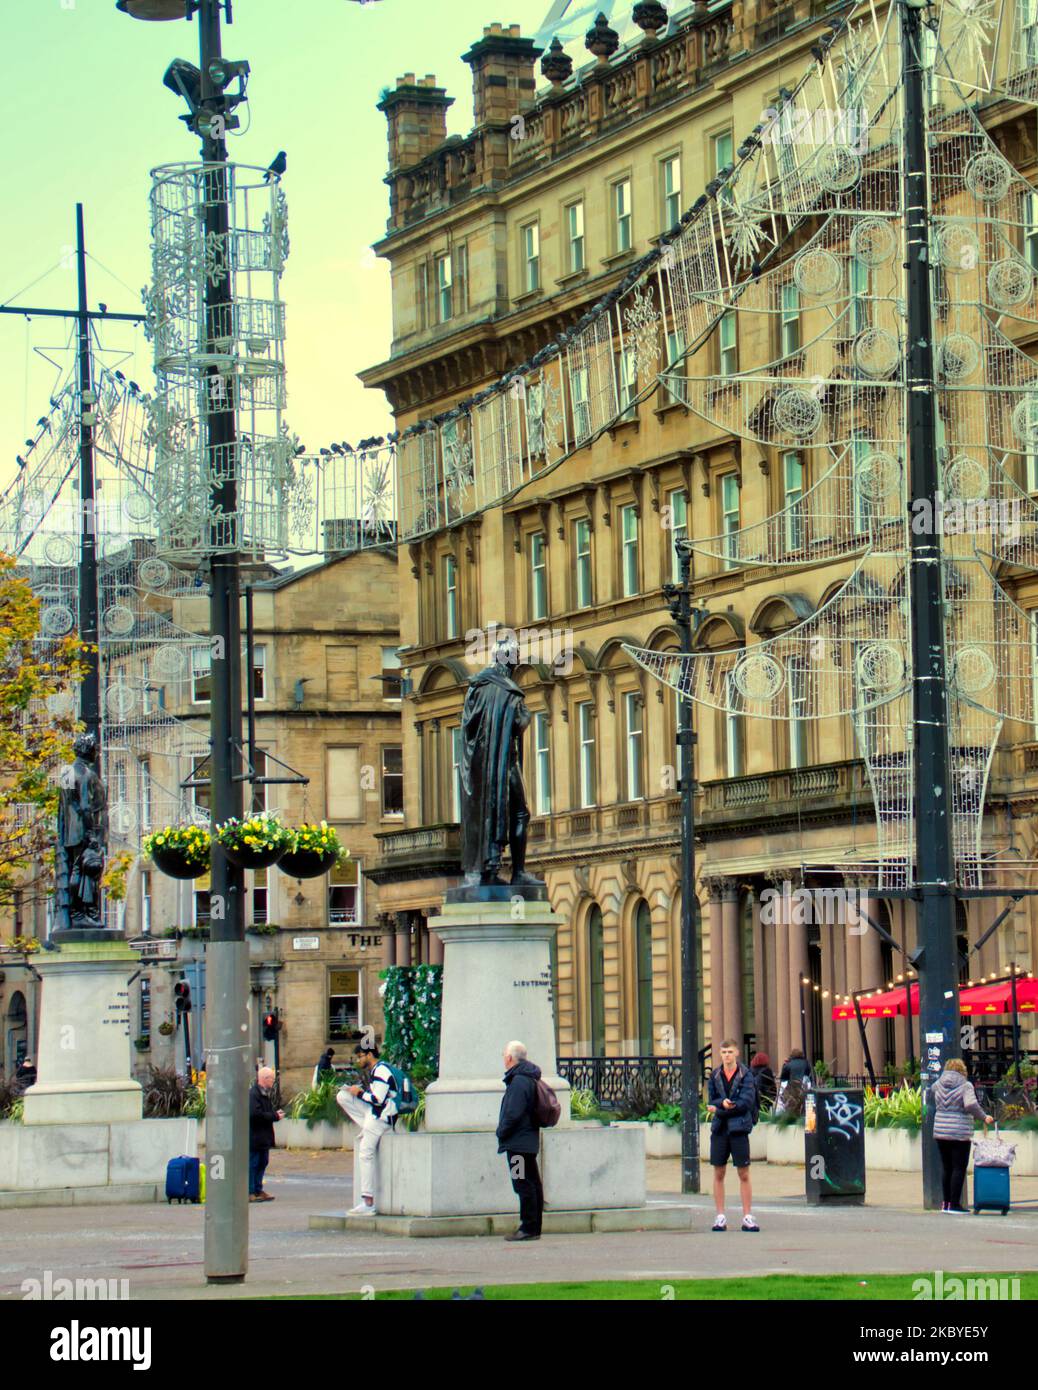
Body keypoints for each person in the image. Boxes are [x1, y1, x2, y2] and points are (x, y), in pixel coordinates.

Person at [336, 1039, 398, 1215]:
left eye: (360, 1056)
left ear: (370, 1054)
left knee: (366, 1152)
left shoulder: (381, 1070)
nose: (358, 1060)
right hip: (376, 1113)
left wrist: (361, 1093)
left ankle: (368, 1201)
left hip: (382, 1115)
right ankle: (366, 1126)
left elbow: (378, 1099)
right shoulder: (377, 1070)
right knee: (343, 1096)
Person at [707, 1038, 760, 1232]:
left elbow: (745, 1102)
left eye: (730, 1052)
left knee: (743, 1172)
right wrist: (722, 1105)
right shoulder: (714, 1076)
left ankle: (747, 1215)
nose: (727, 1055)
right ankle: (720, 1215)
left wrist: (721, 1108)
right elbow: (711, 1099)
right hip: (720, 1129)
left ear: (737, 1053)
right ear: (720, 1054)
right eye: (724, 1052)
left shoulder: (746, 1075)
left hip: (739, 1128)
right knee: (718, 1171)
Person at [496, 1040, 544, 1242]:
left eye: (504, 1056)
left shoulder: (518, 1082)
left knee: (522, 1183)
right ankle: (534, 1226)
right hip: (526, 1141)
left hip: (517, 1143)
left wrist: (501, 1131)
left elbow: (513, 1113)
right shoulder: (528, 1079)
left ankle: (528, 1227)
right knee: (531, 1182)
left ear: (509, 1058)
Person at [933, 1057, 993, 1213]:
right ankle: (954, 1204)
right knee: (959, 1168)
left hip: (940, 1131)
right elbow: (970, 1104)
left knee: (947, 1168)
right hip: (959, 1132)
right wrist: (984, 1117)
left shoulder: (938, 1084)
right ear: (962, 1070)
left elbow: (932, 1090)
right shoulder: (965, 1086)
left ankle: (945, 1204)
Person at [248, 1066, 284, 1203]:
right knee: (253, 1163)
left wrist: (274, 1115)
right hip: (255, 1137)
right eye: (272, 1079)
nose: (273, 1082)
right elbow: (254, 1114)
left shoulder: (264, 1094)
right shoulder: (254, 1094)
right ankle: (250, 1191)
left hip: (263, 1137)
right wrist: (274, 1116)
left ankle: (258, 1189)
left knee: (262, 1162)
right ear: (264, 1079)